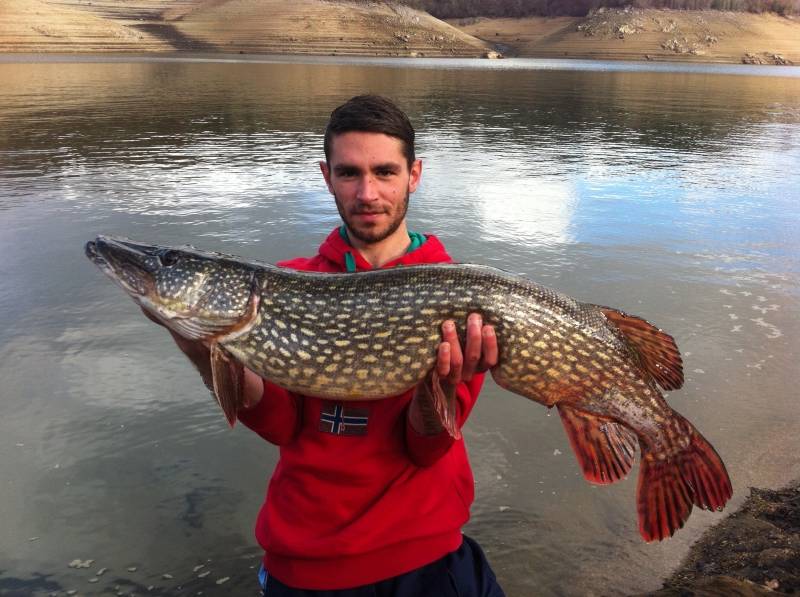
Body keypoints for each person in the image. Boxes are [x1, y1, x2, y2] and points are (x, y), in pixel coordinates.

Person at [160, 95, 506, 597]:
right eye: (349, 173)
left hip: (424, 559)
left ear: (415, 174)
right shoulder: (292, 284)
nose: (367, 193)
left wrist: (441, 392)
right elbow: (281, 425)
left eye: (385, 172)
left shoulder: (457, 298)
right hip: (303, 563)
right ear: (327, 177)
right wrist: (200, 346)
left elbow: (424, 450)